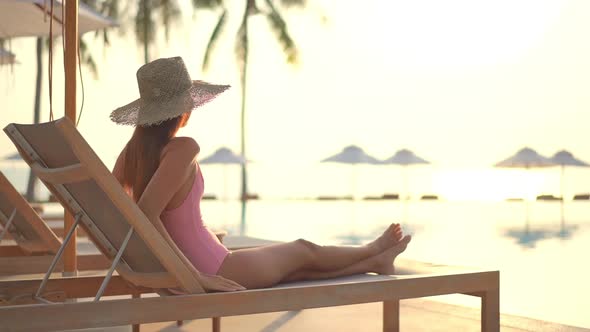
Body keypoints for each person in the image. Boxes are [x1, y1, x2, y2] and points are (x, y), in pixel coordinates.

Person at [111, 57, 411, 292]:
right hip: (211, 268)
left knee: (299, 269)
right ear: (183, 111)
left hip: (185, 268)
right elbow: (146, 213)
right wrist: (194, 275)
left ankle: (377, 260)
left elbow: (119, 208)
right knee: (304, 250)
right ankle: (372, 249)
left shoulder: (132, 154)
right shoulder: (183, 149)